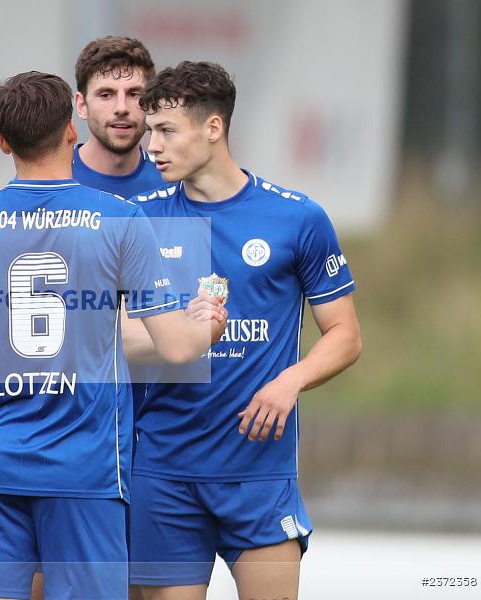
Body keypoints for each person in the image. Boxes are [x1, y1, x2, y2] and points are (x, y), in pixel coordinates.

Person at [0, 71, 226, 600]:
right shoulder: (121, 219)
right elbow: (175, 346)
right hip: (87, 470)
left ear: (2, 141)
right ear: (71, 130)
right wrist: (207, 326)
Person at [124, 61, 363, 600]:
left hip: (259, 472)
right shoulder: (137, 219)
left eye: (165, 131)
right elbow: (109, 337)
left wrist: (290, 382)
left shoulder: (297, 217)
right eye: (148, 132)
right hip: (163, 471)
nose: (151, 146)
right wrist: (178, 336)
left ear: (213, 128)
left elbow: (345, 334)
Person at [71, 36, 164, 198]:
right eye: (106, 95)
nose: (121, 108)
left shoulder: (176, 186)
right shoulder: (49, 182)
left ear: (150, 104)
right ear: (82, 105)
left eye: (134, 94)